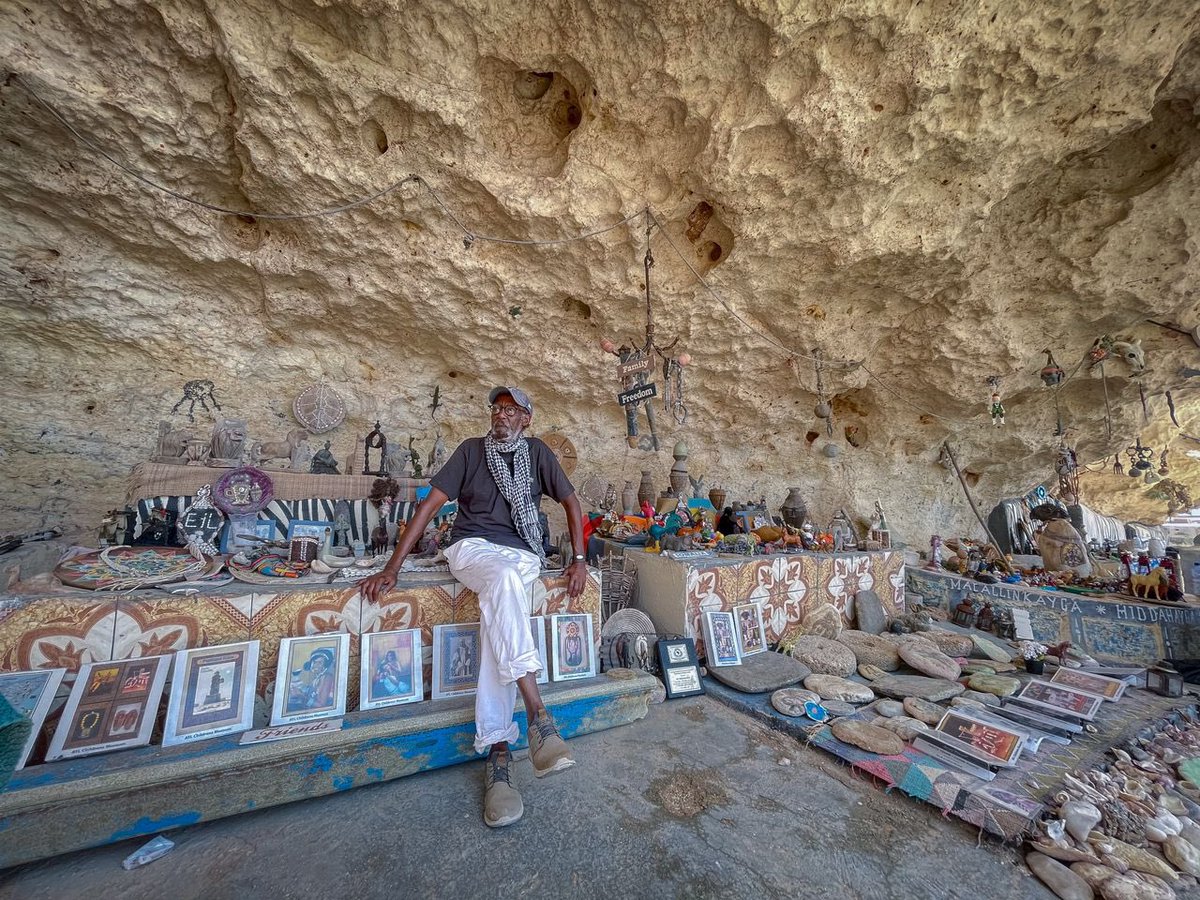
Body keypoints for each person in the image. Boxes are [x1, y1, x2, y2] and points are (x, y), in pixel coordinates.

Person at [361, 386, 587, 829]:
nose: (502, 415)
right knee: (502, 583)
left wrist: (579, 558)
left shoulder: (538, 453)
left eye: (512, 410)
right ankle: (538, 715)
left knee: (499, 610)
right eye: (497, 409)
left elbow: (571, 502)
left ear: (526, 419)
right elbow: (429, 506)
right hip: (473, 550)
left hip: (523, 553)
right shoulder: (470, 451)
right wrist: (392, 566)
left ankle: (499, 754)